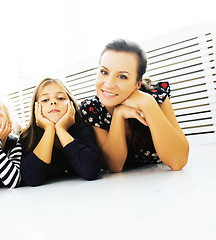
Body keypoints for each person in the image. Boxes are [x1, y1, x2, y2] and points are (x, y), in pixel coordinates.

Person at [80, 39, 189, 172]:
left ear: (137, 83)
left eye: (122, 77)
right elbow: (114, 166)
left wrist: (148, 103)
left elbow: (178, 161)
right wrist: (118, 114)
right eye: (104, 72)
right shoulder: (92, 109)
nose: (108, 84)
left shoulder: (155, 96)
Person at [20, 78, 102, 186]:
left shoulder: (83, 129)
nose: (53, 102)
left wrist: (60, 129)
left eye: (60, 98)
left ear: (71, 104)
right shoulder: (28, 137)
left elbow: (91, 171)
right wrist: (49, 130)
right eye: (45, 100)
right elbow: (32, 179)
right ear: (36, 108)